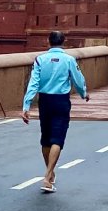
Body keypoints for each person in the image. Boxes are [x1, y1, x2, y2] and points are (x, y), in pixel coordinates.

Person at [21, 30, 90, 193]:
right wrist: (83, 93)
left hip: (45, 100)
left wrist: (26, 105)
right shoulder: (69, 60)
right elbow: (77, 79)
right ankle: (47, 176)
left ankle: (49, 172)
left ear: (48, 42)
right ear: (63, 42)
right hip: (61, 100)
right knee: (57, 139)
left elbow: (33, 83)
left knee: (45, 139)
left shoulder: (40, 60)